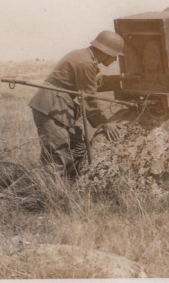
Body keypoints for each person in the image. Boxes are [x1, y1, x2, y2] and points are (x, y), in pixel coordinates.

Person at [29, 30, 124, 179]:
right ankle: (49, 196)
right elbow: (89, 98)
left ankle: (69, 184)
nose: (115, 59)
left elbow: (93, 82)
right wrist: (105, 123)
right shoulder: (85, 63)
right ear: (106, 52)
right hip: (52, 108)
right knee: (57, 153)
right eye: (115, 55)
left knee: (78, 147)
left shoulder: (85, 58)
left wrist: (123, 80)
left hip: (60, 107)